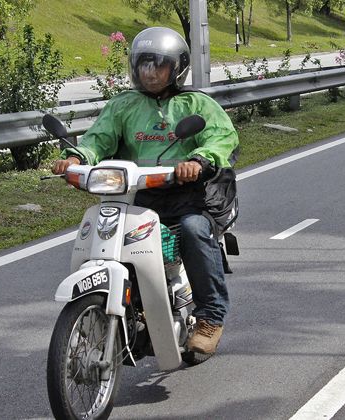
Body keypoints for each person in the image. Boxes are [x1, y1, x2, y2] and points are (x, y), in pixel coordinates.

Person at [51, 27, 239, 358]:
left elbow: (222, 137)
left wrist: (198, 160)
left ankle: (210, 318)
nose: (149, 72)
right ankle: (130, 308)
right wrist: (77, 158)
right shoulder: (123, 105)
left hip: (190, 198)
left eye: (158, 64)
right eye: (143, 64)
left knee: (195, 231)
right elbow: (99, 137)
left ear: (177, 66)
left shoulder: (196, 104)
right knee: (106, 234)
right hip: (135, 198)